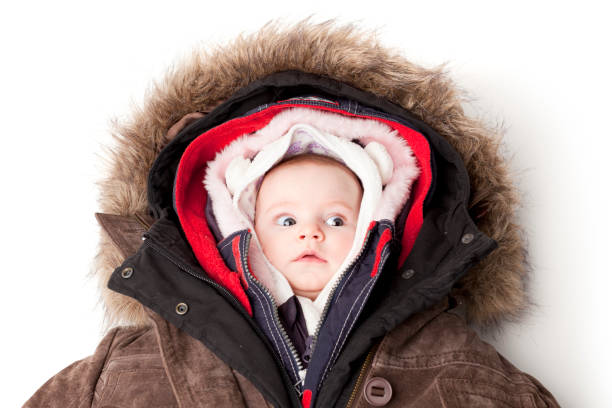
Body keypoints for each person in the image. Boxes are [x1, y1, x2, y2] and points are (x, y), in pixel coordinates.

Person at [24, 22, 560, 408]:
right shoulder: (132, 364)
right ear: (238, 230)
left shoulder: (455, 359)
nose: (310, 230)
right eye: (285, 220)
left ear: (381, 229)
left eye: (335, 220)